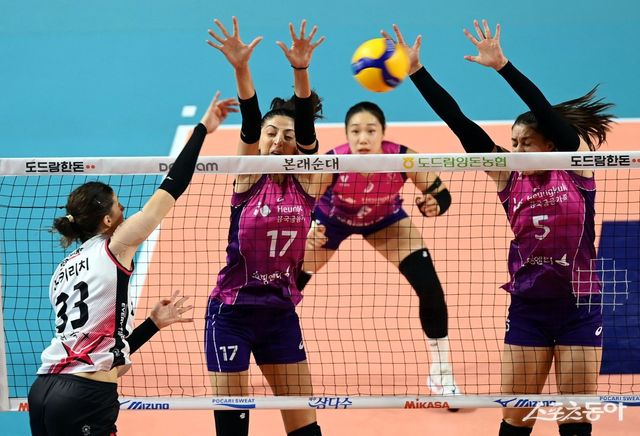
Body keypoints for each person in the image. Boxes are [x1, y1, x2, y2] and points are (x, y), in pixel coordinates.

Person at [385, 20, 613, 436]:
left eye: (526, 142)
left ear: (550, 145)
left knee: (575, 419)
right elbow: (460, 123)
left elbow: (547, 113)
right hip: (528, 307)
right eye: (514, 142)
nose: (517, 150)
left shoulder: (576, 167)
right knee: (515, 420)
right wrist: (417, 72)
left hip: (579, 306)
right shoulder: (508, 176)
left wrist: (503, 66)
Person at [27, 92, 238, 435]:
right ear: (108, 220)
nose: (124, 210)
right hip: (85, 396)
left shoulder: (61, 272)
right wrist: (202, 129)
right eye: (119, 206)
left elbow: (100, 349)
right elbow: (172, 188)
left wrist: (152, 324)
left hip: (43, 392)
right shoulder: (117, 244)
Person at [204, 17, 324, 436]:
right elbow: (250, 121)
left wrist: (300, 70)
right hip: (231, 314)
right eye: (271, 134)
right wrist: (241, 68)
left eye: (286, 136)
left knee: (306, 430)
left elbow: (307, 132)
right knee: (233, 430)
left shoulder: (308, 183)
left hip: (280, 313)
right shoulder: (248, 175)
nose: (277, 141)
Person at [297, 100, 459, 397]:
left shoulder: (403, 158)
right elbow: (303, 203)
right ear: (346, 134)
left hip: (385, 221)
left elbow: (441, 194)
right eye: (355, 131)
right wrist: (308, 229)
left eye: (370, 131)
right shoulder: (332, 162)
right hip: (331, 223)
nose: (363, 138)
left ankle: (442, 373)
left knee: (430, 288)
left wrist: (435, 205)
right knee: (288, 288)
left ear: (382, 133)